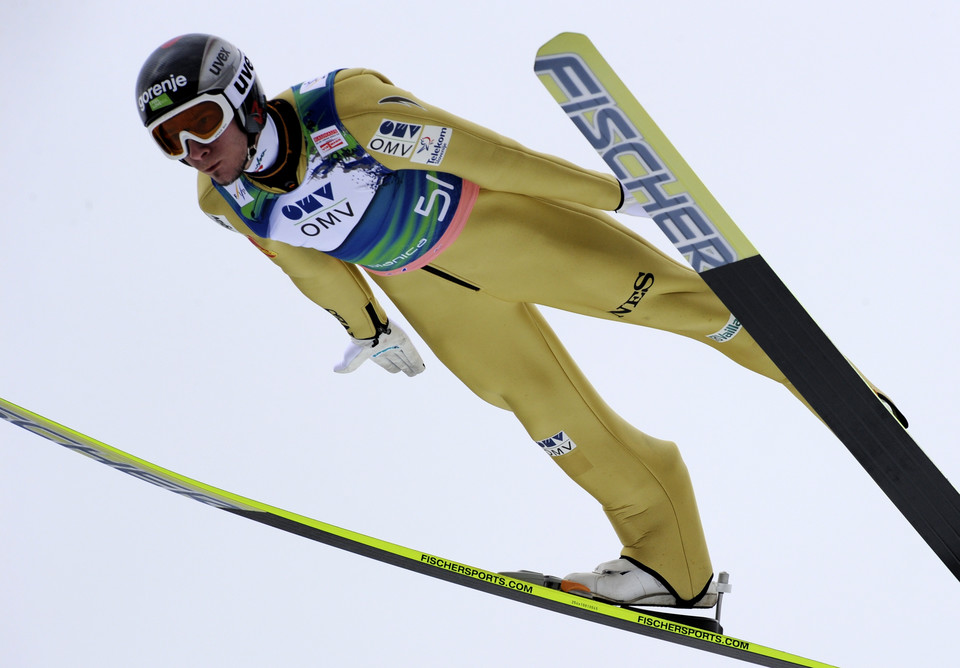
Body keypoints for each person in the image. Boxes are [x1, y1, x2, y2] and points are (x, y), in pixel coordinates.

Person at [134, 33, 820, 608]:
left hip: (495, 232)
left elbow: (490, 155)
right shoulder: (224, 201)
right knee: (552, 418)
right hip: (430, 293)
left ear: (243, 99)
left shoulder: (347, 110)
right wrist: (367, 326)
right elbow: (305, 263)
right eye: (169, 141)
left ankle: (831, 386)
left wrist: (609, 192)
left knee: (677, 302)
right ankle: (674, 568)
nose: (191, 151)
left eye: (198, 123)